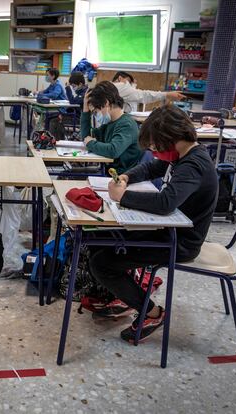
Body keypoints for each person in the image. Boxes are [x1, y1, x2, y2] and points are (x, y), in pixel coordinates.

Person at [88, 104, 218, 342]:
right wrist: (127, 176)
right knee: (98, 237)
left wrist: (123, 197)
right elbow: (151, 167)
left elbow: (165, 203)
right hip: (168, 231)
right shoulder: (181, 154)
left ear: (171, 139)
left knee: (103, 263)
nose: (155, 152)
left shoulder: (193, 165)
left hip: (181, 243)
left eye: (157, 146)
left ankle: (152, 313)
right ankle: (128, 296)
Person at [81, 81, 142, 174]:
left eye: (95, 112)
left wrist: (90, 143)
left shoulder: (126, 124)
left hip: (122, 177)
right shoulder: (109, 123)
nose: (95, 116)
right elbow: (86, 138)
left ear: (106, 104)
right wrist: (85, 108)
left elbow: (113, 150)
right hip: (110, 173)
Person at [112, 71, 186, 113]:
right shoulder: (120, 86)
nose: (130, 86)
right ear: (120, 78)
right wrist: (167, 94)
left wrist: (133, 86)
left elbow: (133, 100)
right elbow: (143, 95)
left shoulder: (114, 88)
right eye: (129, 82)